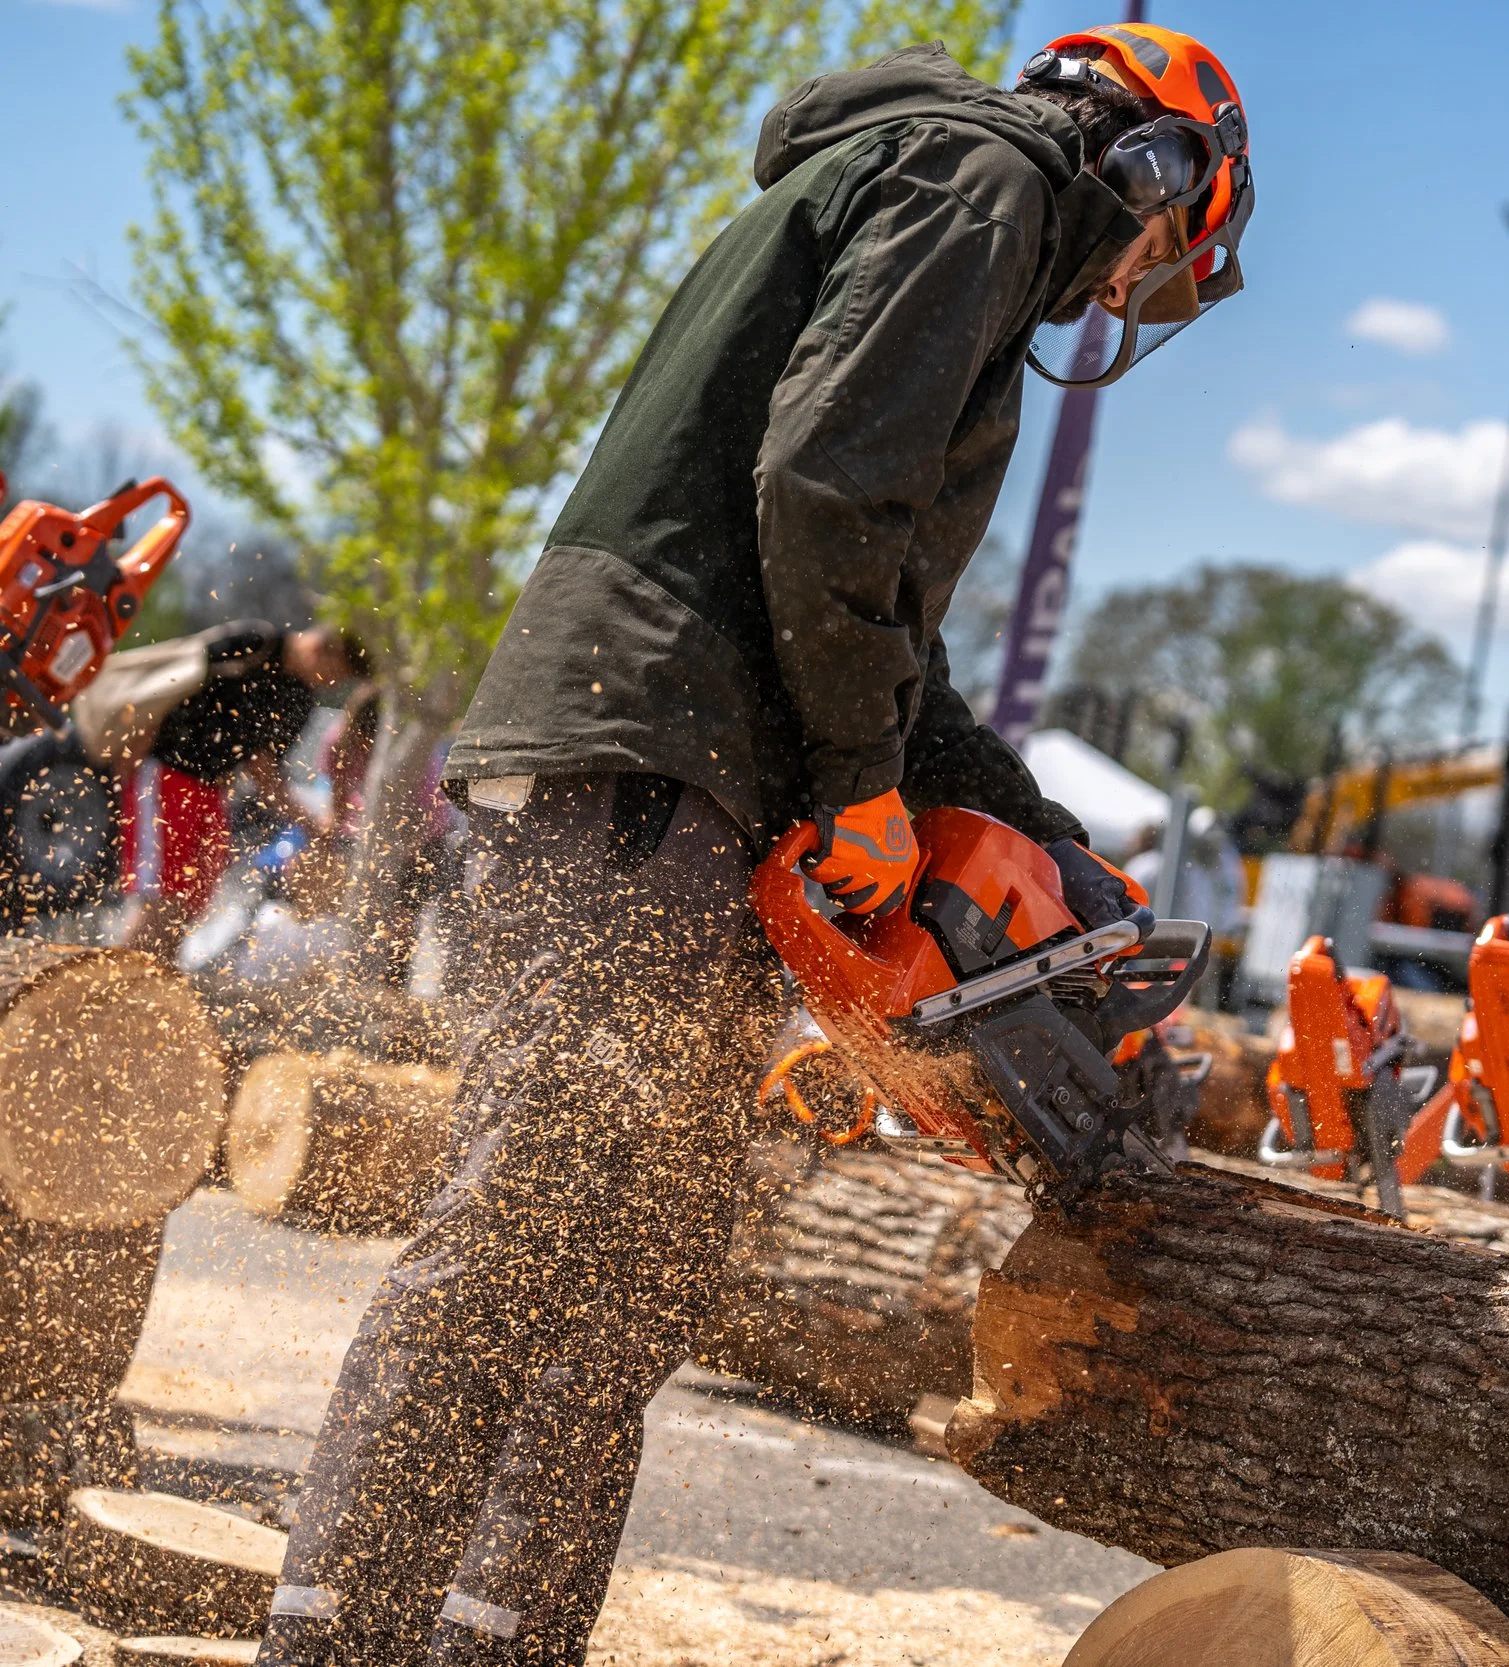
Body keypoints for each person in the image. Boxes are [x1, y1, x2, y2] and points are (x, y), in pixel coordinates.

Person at [260, 26, 1253, 1666]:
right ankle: (328, 1640)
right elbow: (827, 488)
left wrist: (1044, 840)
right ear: (1152, 174)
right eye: (1164, 245)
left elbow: (878, 624)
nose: (1132, 287)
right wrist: (860, 780)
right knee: (517, 1231)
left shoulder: (912, 187)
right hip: (641, 768)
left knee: (624, 1282)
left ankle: (494, 1641)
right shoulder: (981, 179)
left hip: (675, 777)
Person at [115, 620, 365, 959]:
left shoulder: (298, 700)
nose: (329, 684)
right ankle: (112, 987)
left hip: (212, 792)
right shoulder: (254, 643)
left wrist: (309, 822)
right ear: (320, 650)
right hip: (167, 775)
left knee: (190, 901)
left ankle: (152, 984)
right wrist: (129, 756)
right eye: (333, 674)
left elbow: (263, 770)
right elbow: (167, 687)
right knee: (162, 895)